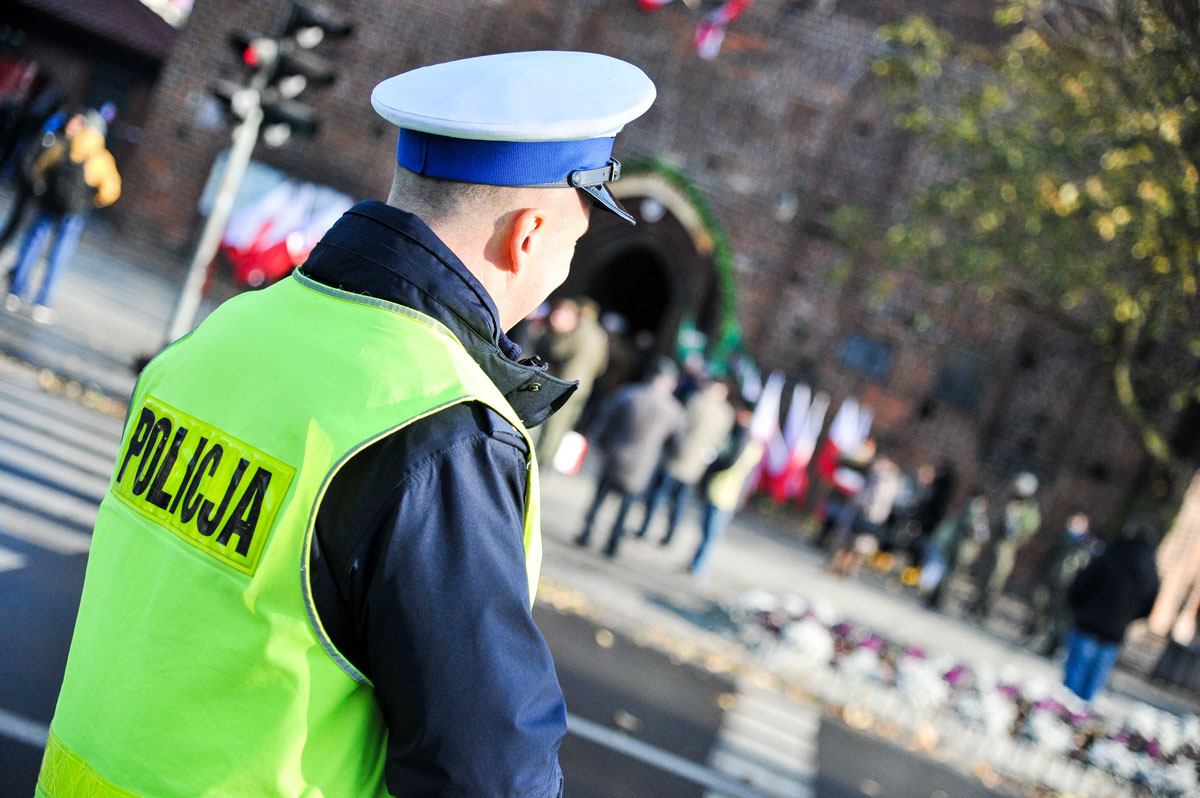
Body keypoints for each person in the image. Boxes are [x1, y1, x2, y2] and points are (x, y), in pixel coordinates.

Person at [40, 51, 656, 797]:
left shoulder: (225, 332)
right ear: (527, 235)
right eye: (574, 243)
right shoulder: (442, 426)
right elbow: (487, 766)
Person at [6, 109, 120, 322]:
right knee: (59, 255)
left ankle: (16, 290)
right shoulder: (101, 157)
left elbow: (42, 165)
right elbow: (111, 191)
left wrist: (45, 186)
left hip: (49, 204)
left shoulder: (66, 144)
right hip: (74, 212)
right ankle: (43, 302)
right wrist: (91, 200)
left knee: (34, 243)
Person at [574, 361, 685, 558]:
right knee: (625, 507)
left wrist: (602, 443)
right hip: (642, 464)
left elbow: (606, 419)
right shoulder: (673, 409)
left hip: (615, 454)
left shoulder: (629, 394)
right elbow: (676, 443)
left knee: (599, 499)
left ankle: (586, 533)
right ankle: (612, 543)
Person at [1063, 522, 1160, 701]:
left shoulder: (1112, 555)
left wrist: (1077, 606)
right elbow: (1148, 607)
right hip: (1115, 632)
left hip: (1088, 624)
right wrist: (1126, 618)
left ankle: (1063, 715)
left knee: (1073, 681)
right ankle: (1079, 720)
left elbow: (1083, 583)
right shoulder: (1150, 571)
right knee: (1093, 684)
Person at [638, 376, 735, 545]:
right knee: (679, 503)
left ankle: (645, 528)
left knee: (658, 496)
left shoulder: (697, 401)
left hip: (676, 458)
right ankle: (670, 535)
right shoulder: (725, 413)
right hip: (696, 465)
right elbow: (720, 442)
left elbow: (680, 425)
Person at [688, 401, 760, 577]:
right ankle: (696, 565)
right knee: (709, 532)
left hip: (723, 491)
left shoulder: (742, 437)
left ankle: (699, 567)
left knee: (710, 533)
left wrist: (712, 467)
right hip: (728, 493)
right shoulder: (750, 439)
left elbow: (730, 462)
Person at [534, 296, 609, 463]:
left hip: (564, 383)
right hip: (583, 388)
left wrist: (553, 333)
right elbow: (602, 367)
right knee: (563, 426)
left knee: (551, 425)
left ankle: (540, 460)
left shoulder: (579, 330)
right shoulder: (601, 335)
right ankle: (547, 460)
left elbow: (559, 350)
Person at [968, 471, 1041, 619]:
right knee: (985, 575)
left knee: (996, 578)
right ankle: (976, 604)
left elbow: (1028, 529)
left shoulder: (1029, 509)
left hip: (1007, 547)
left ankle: (984, 607)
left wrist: (1016, 522)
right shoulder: (1008, 500)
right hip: (996, 541)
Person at [1024, 511, 1094, 656]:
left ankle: (1052, 645)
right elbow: (1047, 558)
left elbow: (1084, 571)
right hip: (1049, 579)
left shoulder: (1083, 548)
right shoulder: (1061, 540)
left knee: (1057, 617)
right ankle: (1032, 631)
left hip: (1066, 587)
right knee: (1039, 603)